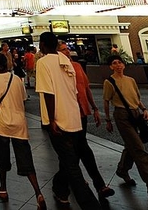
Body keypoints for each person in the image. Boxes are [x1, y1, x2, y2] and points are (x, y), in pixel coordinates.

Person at [35, 31, 100, 209]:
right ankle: (60, 190)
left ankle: (90, 205)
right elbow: (74, 92)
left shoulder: (42, 63)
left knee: (71, 166)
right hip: (74, 118)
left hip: (59, 120)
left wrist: (51, 119)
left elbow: (48, 93)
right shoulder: (67, 63)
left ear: (42, 44)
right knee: (68, 160)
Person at [103, 54, 148, 203]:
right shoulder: (109, 82)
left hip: (135, 114)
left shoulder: (131, 80)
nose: (118, 65)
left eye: (120, 62)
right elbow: (106, 101)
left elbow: (136, 98)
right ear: (111, 66)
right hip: (121, 115)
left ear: (124, 65)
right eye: (114, 63)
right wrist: (107, 120)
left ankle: (122, 170)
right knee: (140, 150)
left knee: (132, 145)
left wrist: (144, 109)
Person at [0, 53, 47, 209]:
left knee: (2, 158)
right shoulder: (17, 80)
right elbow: (23, 98)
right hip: (20, 124)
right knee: (26, 159)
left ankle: (3, 189)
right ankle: (38, 193)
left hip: (2, 125)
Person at [58, 41, 114, 199]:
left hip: (81, 112)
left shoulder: (76, 66)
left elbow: (86, 87)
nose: (67, 52)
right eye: (63, 50)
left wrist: (95, 108)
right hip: (67, 114)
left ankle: (94, 184)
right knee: (77, 150)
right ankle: (81, 183)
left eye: (67, 49)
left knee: (80, 149)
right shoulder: (57, 69)